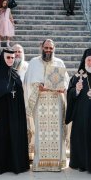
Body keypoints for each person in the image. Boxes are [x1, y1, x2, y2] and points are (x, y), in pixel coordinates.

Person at [24, 39, 69, 171]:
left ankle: (57, 162)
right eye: (46, 48)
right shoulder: (33, 62)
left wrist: (63, 88)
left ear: (54, 49)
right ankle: (40, 162)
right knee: (41, 132)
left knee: (57, 132)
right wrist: (38, 86)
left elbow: (66, 81)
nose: (48, 50)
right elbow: (27, 82)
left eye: (50, 48)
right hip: (40, 102)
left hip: (56, 102)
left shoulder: (59, 62)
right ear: (41, 47)